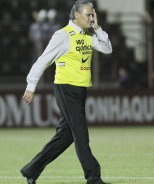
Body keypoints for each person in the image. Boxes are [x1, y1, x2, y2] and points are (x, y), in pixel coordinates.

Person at [20, 1, 112, 184]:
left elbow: (107, 49)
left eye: (93, 14)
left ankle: (31, 170)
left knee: (66, 136)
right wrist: (31, 87)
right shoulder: (62, 35)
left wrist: (98, 27)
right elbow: (42, 61)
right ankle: (94, 178)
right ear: (76, 15)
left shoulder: (88, 34)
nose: (91, 18)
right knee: (81, 134)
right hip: (66, 88)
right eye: (88, 15)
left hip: (79, 89)